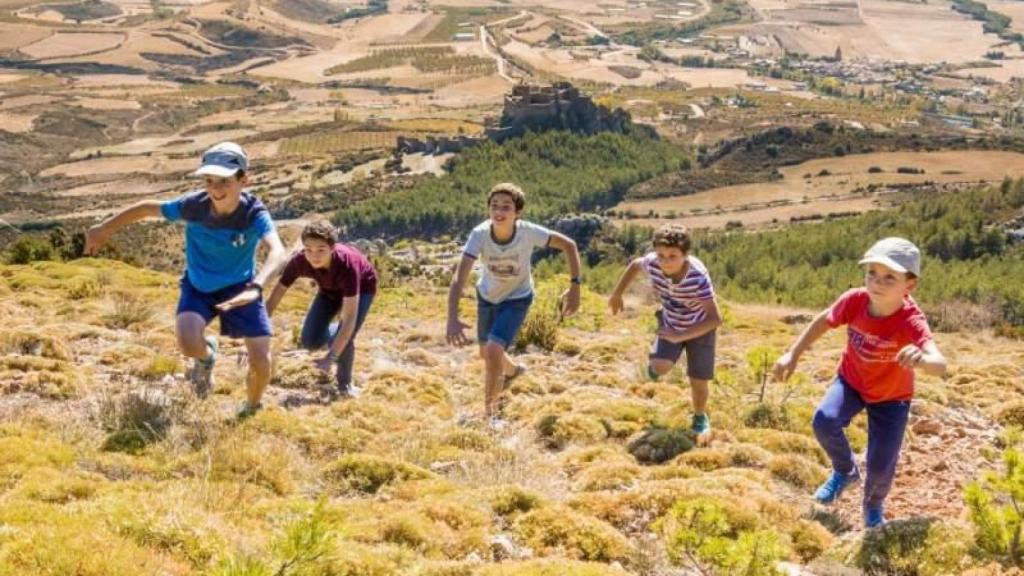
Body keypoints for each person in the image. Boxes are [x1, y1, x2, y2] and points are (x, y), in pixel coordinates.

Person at [85, 142, 287, 419]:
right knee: (188, 342)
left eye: (225, 181)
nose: (215, 188)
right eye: (209, 180)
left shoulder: (254, 213)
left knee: (261, 360)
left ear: (244, 180)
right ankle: (206, 358)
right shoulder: (193, 206)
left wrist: (257, 286)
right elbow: (146, 208)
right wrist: (103, 230)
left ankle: (252, 407)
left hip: (242, 288)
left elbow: (277, 251)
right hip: (199, 286)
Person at [772, 237, 947, 528]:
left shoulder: (911, 319)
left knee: (881, 465)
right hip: (852, 382)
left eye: (889, 277)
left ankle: (873, 505)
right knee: (824, 421)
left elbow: (940, 364)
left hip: (892, 398)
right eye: (872, 274)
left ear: (910, 285)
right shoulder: (854, 300)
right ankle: (845, 471)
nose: (877, 283)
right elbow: (822, 321)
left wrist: (922, 359)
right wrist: (793, 353)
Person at [446, 182, 581, 428]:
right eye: (494, 206)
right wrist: (451, 318)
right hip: (487, 296)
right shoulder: (480, 234)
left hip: (518, 298)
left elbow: (569, 245)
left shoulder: (529, 232)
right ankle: (513, 371)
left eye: (506, 206)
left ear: (517, 212)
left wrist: (575, 287)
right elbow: (459, 276)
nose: (499, 211)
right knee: (486, 353)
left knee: (494, 352)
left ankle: (491, 416)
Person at [608, 223, 721, 439]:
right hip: (671, 322)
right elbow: (634, 265)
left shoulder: (698, 277)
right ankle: (653, 367)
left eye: (673, 256)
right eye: (661, 255)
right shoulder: (652, 263)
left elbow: (715, 318)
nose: (665, 262)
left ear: (686, 255)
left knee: (698, 379)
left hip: (700, 327)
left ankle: (699, 416)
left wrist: (682, 336)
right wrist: (617, 294)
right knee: (660, 367)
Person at [265, 220, 377, 399]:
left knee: (343, 337)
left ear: (333, 248)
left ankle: (345, 383)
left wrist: (331, 357)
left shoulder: (347, 265)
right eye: (308, 249)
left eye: (321, 249)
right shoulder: (300, 261)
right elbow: (274, 298)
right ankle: (337, 336)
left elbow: (348, 319)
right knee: (309, 341)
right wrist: (255, 333)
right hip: (329, 290)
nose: (313, 255)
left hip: (362, 288)